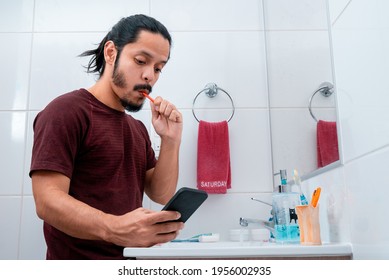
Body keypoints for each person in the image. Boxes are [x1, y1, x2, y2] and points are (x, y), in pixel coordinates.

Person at [29, 14, 184, 260]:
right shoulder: (65, 112)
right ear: (111, 53)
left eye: (158, 68)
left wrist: (171, 140)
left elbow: (161, 194)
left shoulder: (137, 128)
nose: (150, 76)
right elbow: (47, 201)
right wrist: (116, 229)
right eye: (141, 61)